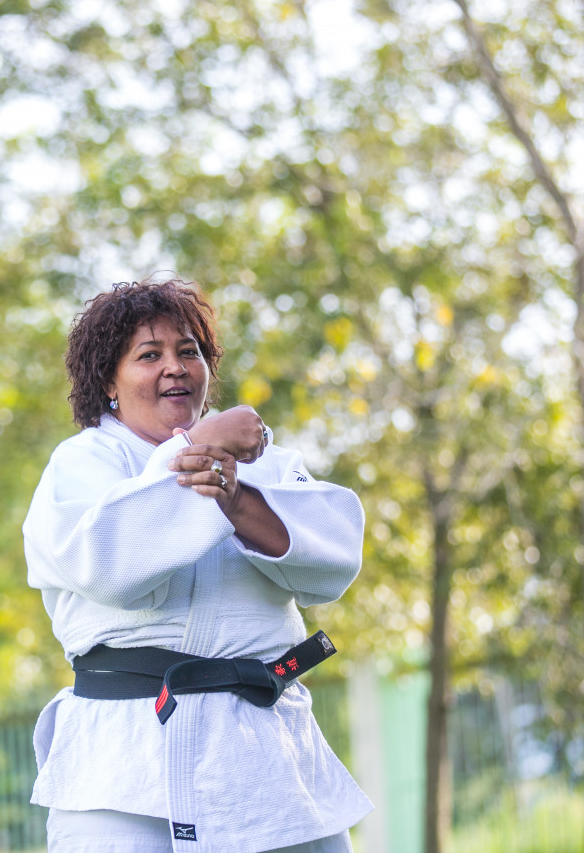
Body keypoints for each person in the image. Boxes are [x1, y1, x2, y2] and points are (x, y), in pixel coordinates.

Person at [23, 278, 372, 852]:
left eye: (189, 351)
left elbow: (334, 554)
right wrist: (196, 450)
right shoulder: (82, 463)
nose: (175, 367)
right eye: (149, 355)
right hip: (126, 767)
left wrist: (236, 498)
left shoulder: (262, 463)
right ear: (109, 380)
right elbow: (106, 563)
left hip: (271, 755)